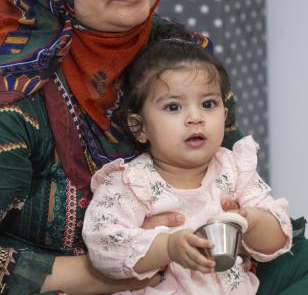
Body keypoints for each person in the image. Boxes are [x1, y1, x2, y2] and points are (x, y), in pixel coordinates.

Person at [0, 0, 307, 294]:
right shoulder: (7, 97)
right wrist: (136, 261)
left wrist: (240, 226)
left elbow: (238, 197)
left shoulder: (183, 56)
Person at [82, 24, 292, 294]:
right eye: (173, 107)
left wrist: (250, 220)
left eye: (208, 104)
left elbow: (276, 240)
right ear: (140, 127)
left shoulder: (235, 169)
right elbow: (104, 246)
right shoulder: (131, 183)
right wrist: (167, 247)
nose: (196, 117)